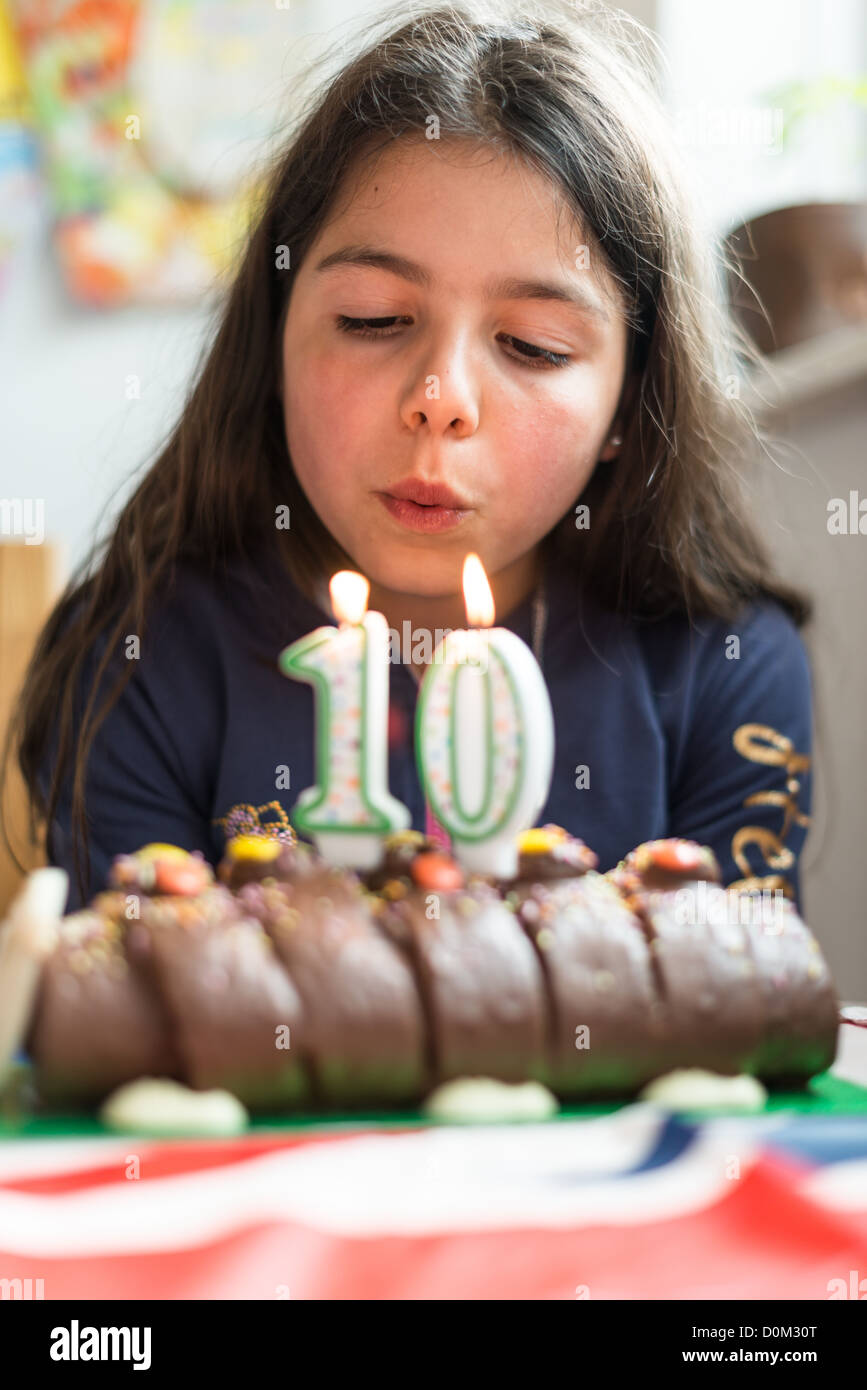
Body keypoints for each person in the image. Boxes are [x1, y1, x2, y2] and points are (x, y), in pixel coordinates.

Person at [5, 2, 814, 913]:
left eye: (535, 346)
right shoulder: (143, 658)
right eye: (373, 320)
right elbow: (135, 1026)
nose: (440, 400)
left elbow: (734, 1025)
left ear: (629, 403)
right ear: (273, 341)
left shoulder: (721, 670)